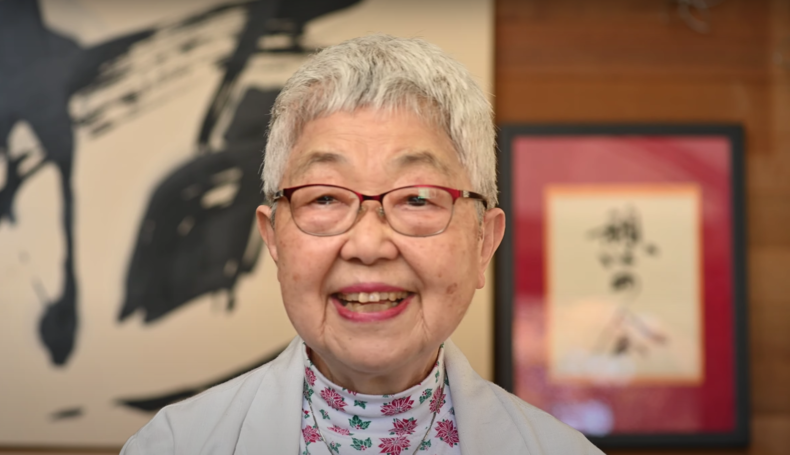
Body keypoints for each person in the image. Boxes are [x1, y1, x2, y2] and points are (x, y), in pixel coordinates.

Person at [120, 34, 602, 455]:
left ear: (484, 242)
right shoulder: (172, 446)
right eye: (326, 196)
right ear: (274, 239)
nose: (368, 244)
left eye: (416, 198)